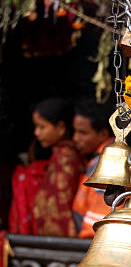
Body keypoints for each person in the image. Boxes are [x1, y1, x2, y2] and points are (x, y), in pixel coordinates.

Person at [9, 98, 83, 237]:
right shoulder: (61, 155)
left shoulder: (65, 157)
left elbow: (60, 208)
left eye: (42, 127)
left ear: (60, 128)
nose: (37, 133)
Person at [72, 101, 113, 238]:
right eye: (75, 131)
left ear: (102, 134)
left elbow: (97, 223)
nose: (75, 138)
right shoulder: (96, 159)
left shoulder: (108, 163)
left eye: (83, 133)